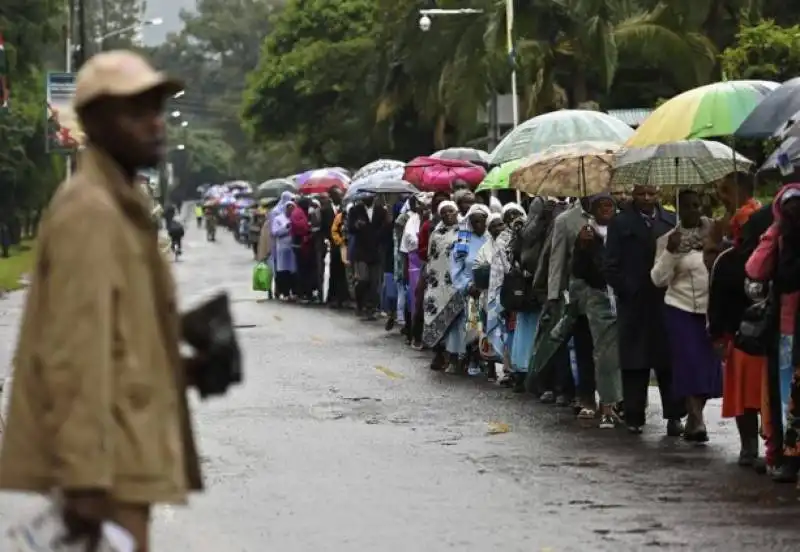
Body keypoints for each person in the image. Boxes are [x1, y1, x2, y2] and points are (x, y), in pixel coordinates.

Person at [0, 50, 205, 552]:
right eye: (136, 112)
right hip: (105, 468)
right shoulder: (90, 211)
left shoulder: (121, 203)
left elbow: (123, 337)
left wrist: (190, 365)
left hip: (124, 453)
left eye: (157, 109)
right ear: (93, 123)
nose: (155, 124)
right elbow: (74, 351)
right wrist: (84, 479)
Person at [604, 184, 686, 435]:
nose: (647, 199)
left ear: (658, 194)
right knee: (634, 362)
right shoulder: (620, 223)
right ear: (633, 195)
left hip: (666, 299)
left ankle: (675, 416)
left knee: (668, 361)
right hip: (634, 301)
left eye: (651, 194)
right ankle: (634, 416)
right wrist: (628, 290)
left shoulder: (672, 221)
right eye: (642, 194)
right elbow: (610, 266)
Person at [651, 190, 721, 441]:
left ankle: (694, 418)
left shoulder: (715, 233)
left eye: (698, 205)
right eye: (689, 206)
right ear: (679, 209)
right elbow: (658, 279)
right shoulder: (668, 238)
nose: (695, 210)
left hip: (709, 310)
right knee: (688, 363)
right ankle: (698, 420)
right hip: (679, 308)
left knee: (705, 366)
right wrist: (671, 253)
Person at [708, 203, 772, 468]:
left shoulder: (778, 254)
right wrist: (718, 337)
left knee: (771, 397)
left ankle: (774, 445)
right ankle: (748, 446)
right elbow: (716, 302)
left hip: (774, 339)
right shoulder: (727, 260)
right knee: (745, 399)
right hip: (741, 339)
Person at [746, 184, 800, 484]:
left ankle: (786, 456)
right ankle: (786, 455)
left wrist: (775, 231)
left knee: (789, 395)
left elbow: (755, 268)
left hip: (789, 328)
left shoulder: (781, 234)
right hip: (789, 329)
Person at [571, 193, 622, 428]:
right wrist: (583, 246)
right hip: (598, 299)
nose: (606, 209)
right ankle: (607, 405)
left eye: (610, 205)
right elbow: (578, 271)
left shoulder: (621, 230)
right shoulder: (587, 234)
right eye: (601, 206)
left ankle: (620, 401)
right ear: (592, 209)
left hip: (623, 296)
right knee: (604, 353)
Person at [548, 198, 597, 417]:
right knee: (583, 346)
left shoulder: (612, 215)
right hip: (579, 295)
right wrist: (553, 294)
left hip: (609, 295)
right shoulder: (565, 220)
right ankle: (585, 395)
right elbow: (557, 260)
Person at [422, 201, 461, 370]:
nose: (447, 215)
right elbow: (431, 258)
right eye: (443, 213)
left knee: (457, 322)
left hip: (455, 283)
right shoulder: (436, 234)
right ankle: (438, 353)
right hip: (436, 284)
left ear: (457, 211)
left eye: (450, 211)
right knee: (433, 315)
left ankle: (454, 357)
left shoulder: (464, 232)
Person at [348, 194, 388, 320]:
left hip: (375, 250)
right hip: (361, 251)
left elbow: (385, 230)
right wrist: (356, 225)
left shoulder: (382, 211)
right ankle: (360, 303)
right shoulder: (355, 210)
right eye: (365, 195)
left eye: (370, 195)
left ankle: (371, 308)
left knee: (374, 281)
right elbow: (350, 228)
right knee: (363, 279)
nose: (367, 197)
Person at [271, 200, 297, 300]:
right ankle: (284, 293)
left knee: (293, 271)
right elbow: (275, 232)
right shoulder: (278, 219)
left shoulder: (294, 218)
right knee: (283, 271)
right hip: (282, 248)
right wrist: (285, 228)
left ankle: (293, 292)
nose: (290, 210)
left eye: (292, 208)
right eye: (289, 208)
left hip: (292, 248)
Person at [291, 197, 315, 303]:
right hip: (300, 244)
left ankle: (307, 292)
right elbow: (300, 227)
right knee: (302, 270)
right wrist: (308, 227)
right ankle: (302, 293)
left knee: (306, 270)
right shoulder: (297, 213)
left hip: (304, 244)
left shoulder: (301, 212)